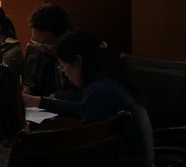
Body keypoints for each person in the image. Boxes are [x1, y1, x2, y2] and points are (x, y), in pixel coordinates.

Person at [23, 30, 153, 167]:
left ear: (78, 61)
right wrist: (37, 101)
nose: (63, 71)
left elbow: (85, 149)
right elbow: (82, 108)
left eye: (63, 65)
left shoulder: (99, 91)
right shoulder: (111, 80)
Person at [22, 3, 78, 100]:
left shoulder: (79, 54)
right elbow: (35, 82)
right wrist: (29, 88)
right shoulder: (42, 52)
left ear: (64, 36)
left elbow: (84, 92)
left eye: (45, 44)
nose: (41, 48)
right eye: (36, 42)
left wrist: (58, 96)